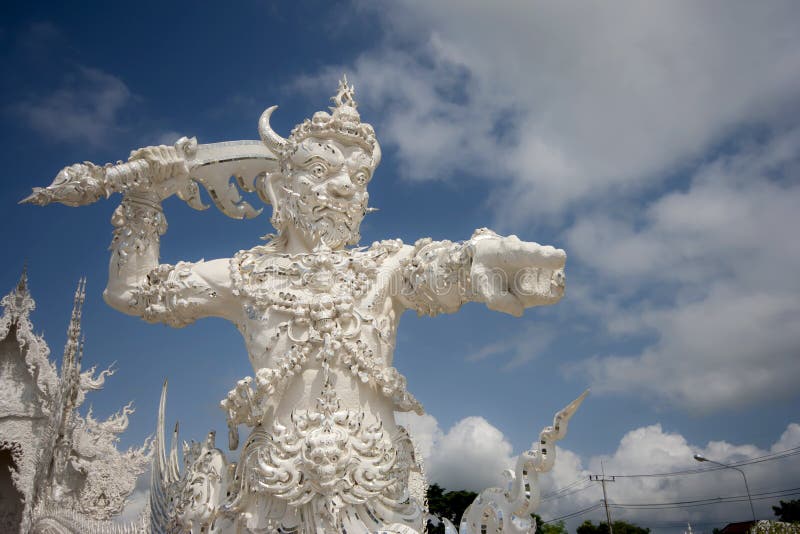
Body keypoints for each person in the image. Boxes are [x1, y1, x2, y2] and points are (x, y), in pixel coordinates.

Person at [90, 78, 566, 532]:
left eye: (357, 178)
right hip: (273, 493)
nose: (343, 187)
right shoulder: (245, 276)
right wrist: (143, 200)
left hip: (376, 494)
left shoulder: (385, 268)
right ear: (280, 188)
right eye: (321, 171)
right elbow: (133, 291)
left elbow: (438, 269)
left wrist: (479, 262)